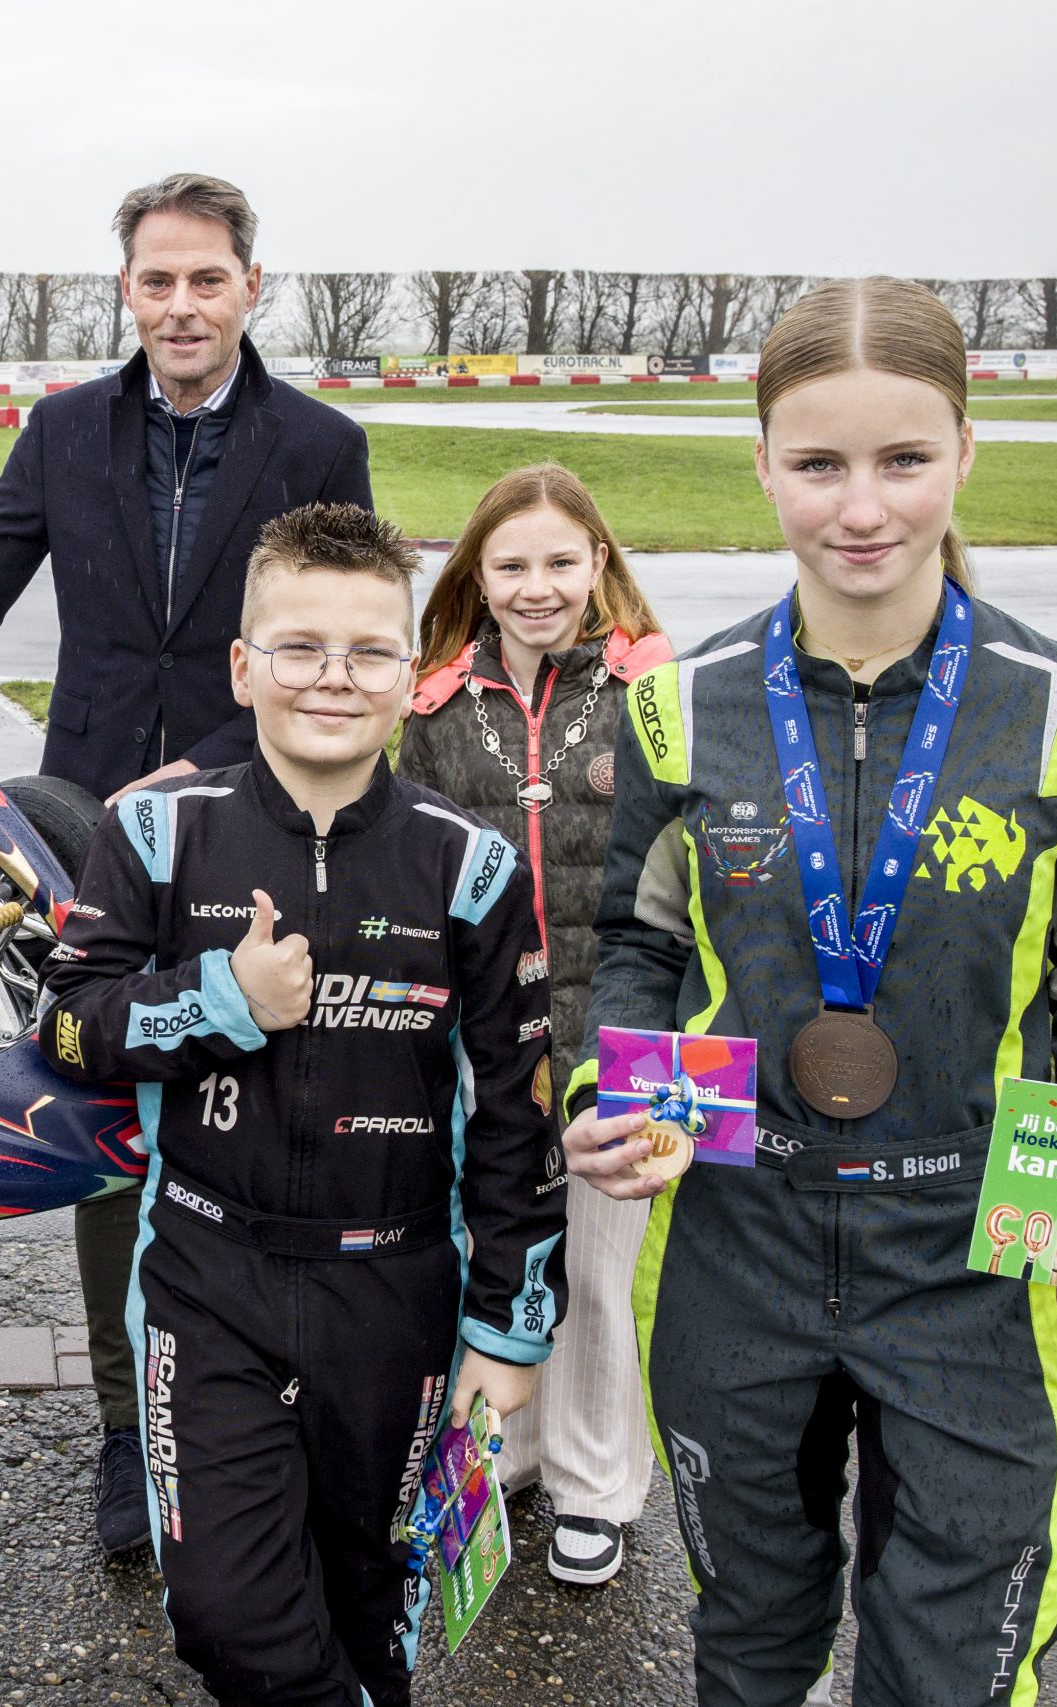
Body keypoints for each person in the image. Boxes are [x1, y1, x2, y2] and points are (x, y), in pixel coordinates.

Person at [563, 276, 1057, 1706]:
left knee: (949, 1669)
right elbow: (644, 941)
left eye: (904, 459)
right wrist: (616, 1086)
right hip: (740, 1237)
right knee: (749, 1644)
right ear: (763, 463)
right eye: (819, 462)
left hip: (973, 1253)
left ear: (967, 452)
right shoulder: (680, 705)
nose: (863, 506)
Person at [0, 172, 372, 1553]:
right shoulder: (64, 431)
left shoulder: (322, 441)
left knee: (264, 1100)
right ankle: (125, 1428)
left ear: (251, 288)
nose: (182, 304)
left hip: (254, 809)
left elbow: (331, 638)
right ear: (128, 292)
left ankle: (270, 1401)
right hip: (88, 821)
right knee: (110, 1101)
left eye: (207, 278)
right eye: (158, 280)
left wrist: (207, 756)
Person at [39, 502, 565, 1707]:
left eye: (368, 651)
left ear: (410, 672)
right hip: (204, 1282)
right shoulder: (153, 830)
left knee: (374, 1611)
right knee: (228, 1619)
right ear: (243, 666)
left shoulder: (468, 863)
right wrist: (221, 996)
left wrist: (508, 1331)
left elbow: (516, 1125)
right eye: (298, 647)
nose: (333, 678)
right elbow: (69, 1027)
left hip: (395, 1299)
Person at [395, 463, 670, 1586]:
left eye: (561, 562)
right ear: (478, 576)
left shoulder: (655, 691)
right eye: (510, 566)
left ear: (597, 564)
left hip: (625, 1025)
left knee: (602, 1266)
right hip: (486, 1032)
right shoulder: (435, 706)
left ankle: (597, 1482)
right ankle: (506, 1450)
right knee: (496, 1246)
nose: (536, 586)